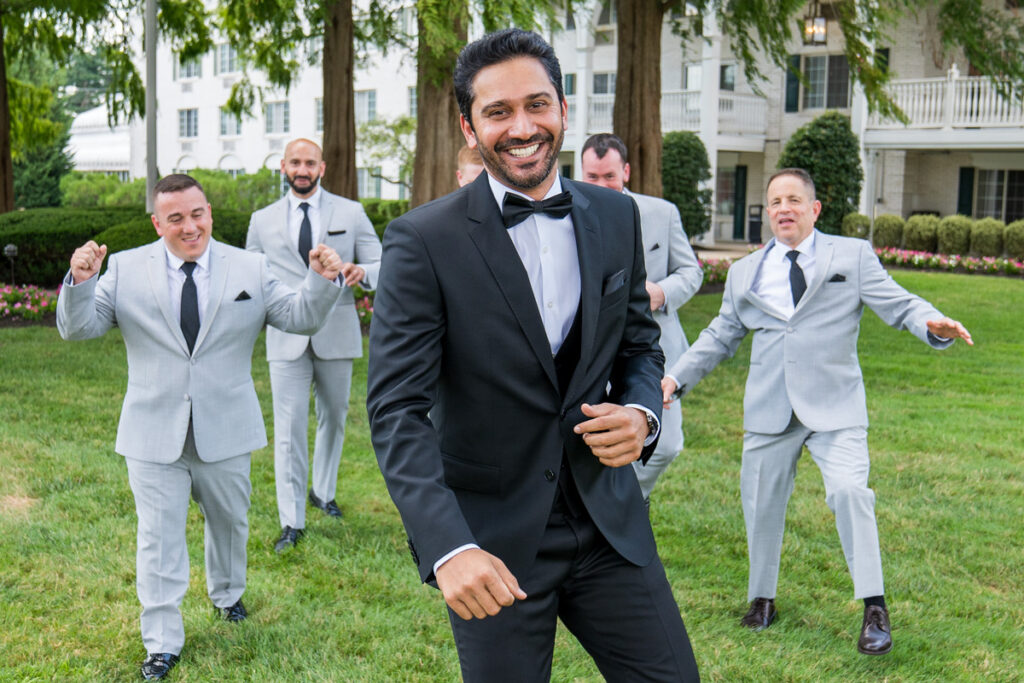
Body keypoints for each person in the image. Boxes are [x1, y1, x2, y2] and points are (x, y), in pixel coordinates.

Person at [367, 28, 700, 681]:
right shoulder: (422, 240)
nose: (523, 127)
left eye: (537, 104)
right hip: (491, 540)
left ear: (563, 109)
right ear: (469, 126)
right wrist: (448, 546)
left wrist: (642, 413)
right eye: (498, 112)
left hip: (609, 524)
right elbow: (396, 410)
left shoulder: (615, 217)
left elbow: (638, 342)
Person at [662, 167, 973, 656]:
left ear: (813, 209)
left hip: (835, 406)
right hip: (769, 410)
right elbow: (720, 336)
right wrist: (676, 378)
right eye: (773, 203)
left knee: (851, 491)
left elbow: (898, 303)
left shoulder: (850, 255)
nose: (782, 209)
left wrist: (930, 322)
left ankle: (875, 608)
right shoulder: (746, 272)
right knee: (760, 505)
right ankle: (761, 598)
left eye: (792, 200)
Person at [57, 174, 343, 680]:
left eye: (197, 214)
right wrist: (81, 281)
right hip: (152, 431)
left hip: (227, 427)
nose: (190, 226)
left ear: (209, 212)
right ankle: (162, 642)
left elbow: (298, 317)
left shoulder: (250, 267)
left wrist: (320, 281)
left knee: (230, 523)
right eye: (176, 219)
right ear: (157, 222)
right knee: (158, 537)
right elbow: (78, 328)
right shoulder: (123, 268)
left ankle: (227, 595)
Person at [246, 138, 382, 552]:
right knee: (288, 429)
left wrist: (362, 270)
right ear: (284, 168)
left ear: (322, 167)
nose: (302, 169)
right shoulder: (262, 219)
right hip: (285, 335)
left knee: (334, 418)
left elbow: (383, 261)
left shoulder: (351, 213)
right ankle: (292, 521)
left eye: (309, 163)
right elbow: (251, 274)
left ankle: (323, 492)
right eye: (294, 163)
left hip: (337, 331)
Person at [580, 133, 703, 502]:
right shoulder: (566, 211)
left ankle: (628, 503)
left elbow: (691, 272)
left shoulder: (662, 213)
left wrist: (660, 293)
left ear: (627, 172)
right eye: (593, 177)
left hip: (656, 350)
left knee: (665, 444)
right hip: (590, 352)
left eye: (610, 177)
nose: (602, 185)